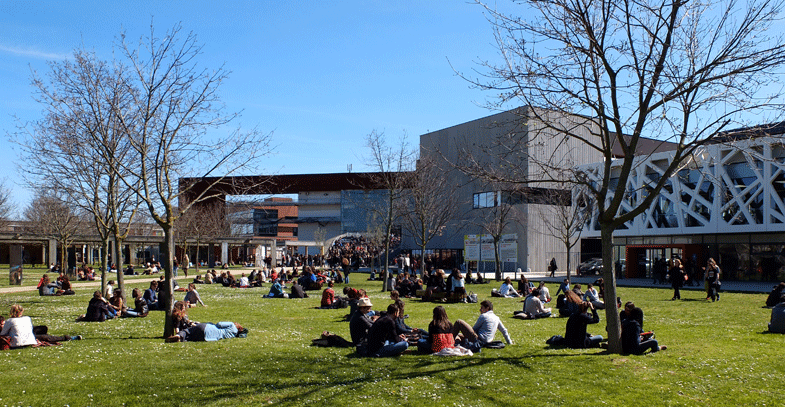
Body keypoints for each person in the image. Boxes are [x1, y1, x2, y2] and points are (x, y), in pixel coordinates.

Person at [1, 305, 81, 348]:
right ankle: (68, 337)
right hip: (29, 341)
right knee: (44, 336)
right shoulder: (27, 318)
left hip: (17, 344)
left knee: (44, 335)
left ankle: (68, 337)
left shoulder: (9, 321)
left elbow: (3, 334)